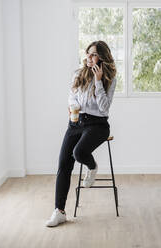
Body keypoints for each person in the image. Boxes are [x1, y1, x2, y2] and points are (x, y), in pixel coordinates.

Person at [46, 41, 117, 227]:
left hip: (98, 125)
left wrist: (99, 81)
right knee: (63, 164)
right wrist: (73, 108)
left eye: (93, 55)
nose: (89, 57)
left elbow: (104, 108)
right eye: (88, 54)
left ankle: (92, 167)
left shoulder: (110, 78)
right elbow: (72, 97)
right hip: (76, 122)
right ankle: (59, 211)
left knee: (79, 153)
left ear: (102, 57)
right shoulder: (78, 74)